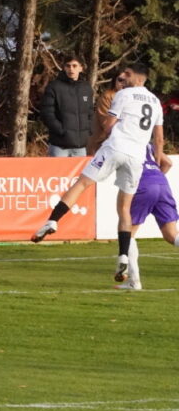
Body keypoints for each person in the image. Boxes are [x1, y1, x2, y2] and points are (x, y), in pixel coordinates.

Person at [33, 63, 165, 283]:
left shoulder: (124, 94)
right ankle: (123, 253)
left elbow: (109, 124)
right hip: (137, 157)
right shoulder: (156, 102)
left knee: (83, 183)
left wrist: (99, 140)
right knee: (124, 208)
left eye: (128, 74)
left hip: (116, 147)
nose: (123, 77)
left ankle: (53, 221)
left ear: (139, 78)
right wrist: (157, 163)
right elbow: (158, 138)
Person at [116, 145, 179, 291]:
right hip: (162, 183)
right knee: (172, 235)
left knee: (128, 234)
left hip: (142, 183)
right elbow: (168, 162)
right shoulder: (146, 143)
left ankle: (134, 282)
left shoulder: (123, 142)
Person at [38, 55, 94, 157]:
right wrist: (61, 131)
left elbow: (90, 112)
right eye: (68, 66)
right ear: (64, 68)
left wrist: (88, 130)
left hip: (80, 147)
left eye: (74, 66)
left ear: (81, 68)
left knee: (79, 173)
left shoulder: (86, 88)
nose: (71, 69)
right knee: (57, 173)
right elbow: (47, 114)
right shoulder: (54, 87)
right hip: (60, 146)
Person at [89, 72, 124, 154]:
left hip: (121, 144)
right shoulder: (107, 96)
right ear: (114, 81)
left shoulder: (130, 97)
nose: (123, 83)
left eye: (126, 80)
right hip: (101, 143)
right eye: (120, 80)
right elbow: (106, 123)